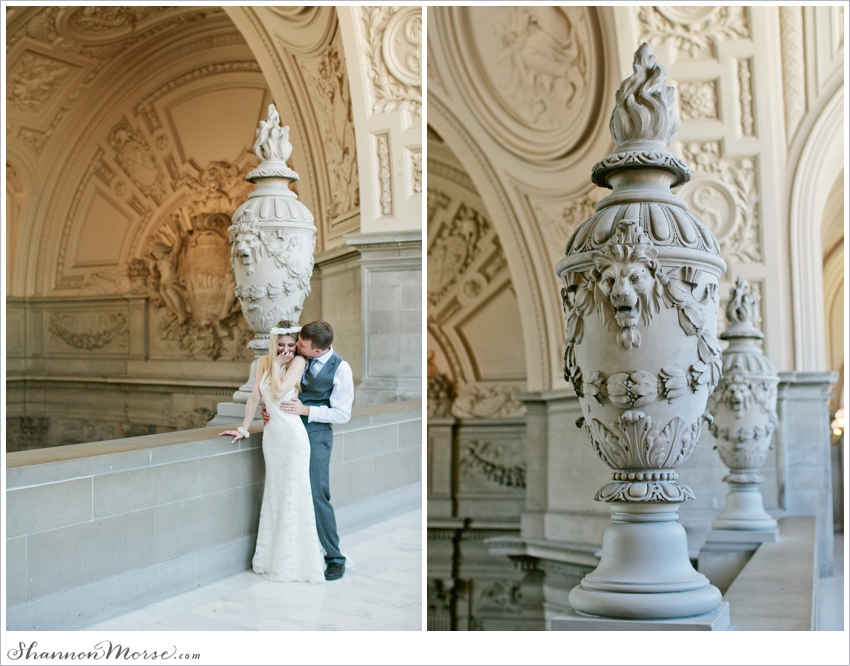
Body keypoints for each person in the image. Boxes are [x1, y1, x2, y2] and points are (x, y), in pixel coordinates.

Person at [219, 321, 324, 583]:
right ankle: (270, 557)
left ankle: (296, 560)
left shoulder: (297, 362)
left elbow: (277, 391)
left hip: (293, 437)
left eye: (291, 345)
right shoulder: (264, 361)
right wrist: (243, 429)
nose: (287, 350)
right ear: (273, 342)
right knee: (275, 492)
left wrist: (278, 366)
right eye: (282, 345)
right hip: (273, 437)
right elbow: (256, 396)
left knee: (293, 493)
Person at [265, 320, 353, 581]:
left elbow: (342, 413)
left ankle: (335, 558)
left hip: (316, 434)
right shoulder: (296, 357)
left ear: (318, 351)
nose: (296, 346)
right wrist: (268, 408)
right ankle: (301, 549)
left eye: (301, 344)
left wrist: (307, 410)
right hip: (287, 431)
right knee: (291, 490)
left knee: (316, 493)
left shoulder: (341, 369)